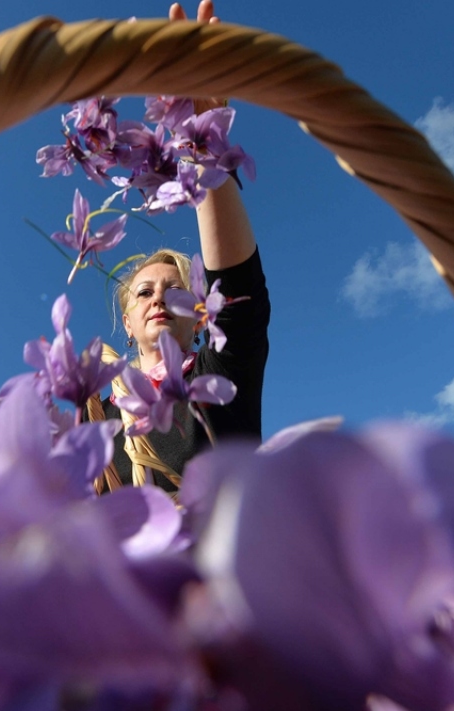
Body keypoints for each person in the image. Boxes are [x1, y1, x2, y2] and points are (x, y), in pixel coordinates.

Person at [87, 1, 270, 495]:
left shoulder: (220, 379)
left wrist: (202, 145)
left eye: (175, 290)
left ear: (199, 315)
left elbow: (237, 293)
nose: (158, 299)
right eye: (143, 292)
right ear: (125, 323)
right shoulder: (95, 418)